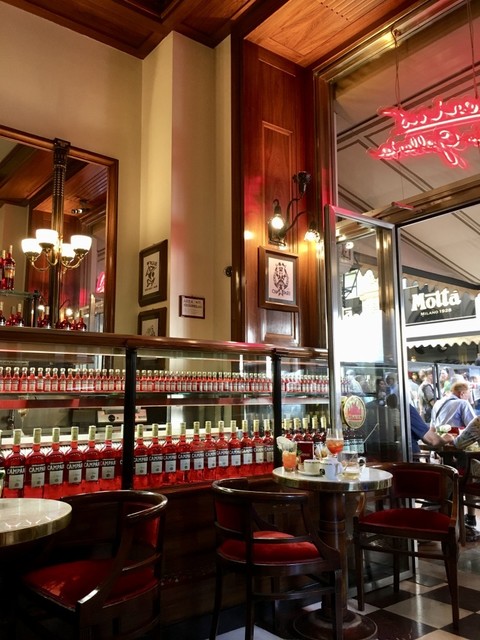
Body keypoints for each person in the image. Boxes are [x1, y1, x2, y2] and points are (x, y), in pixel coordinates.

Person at [432, 381, 479, 541]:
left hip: (446, 450)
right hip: (462, 457)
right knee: (467, 467)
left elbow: (459, 442)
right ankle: (468, 518)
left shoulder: (438, 403)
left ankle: (448, 517)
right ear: (462, 393)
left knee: (462, 472)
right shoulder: (463, 404)